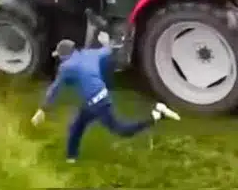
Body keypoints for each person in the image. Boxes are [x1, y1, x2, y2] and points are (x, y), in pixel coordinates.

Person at [30, 34, 181, 163]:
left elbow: (55, 89)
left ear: (63, 55)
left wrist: (42, 109)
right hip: (98, 97)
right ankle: (71, 159)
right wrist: (106, 42)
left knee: (122, 130)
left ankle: (156, 115)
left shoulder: (66, 67)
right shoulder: (91, 54)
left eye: (60, 56)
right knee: (76, 127)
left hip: (97, 103)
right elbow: (109, 50)